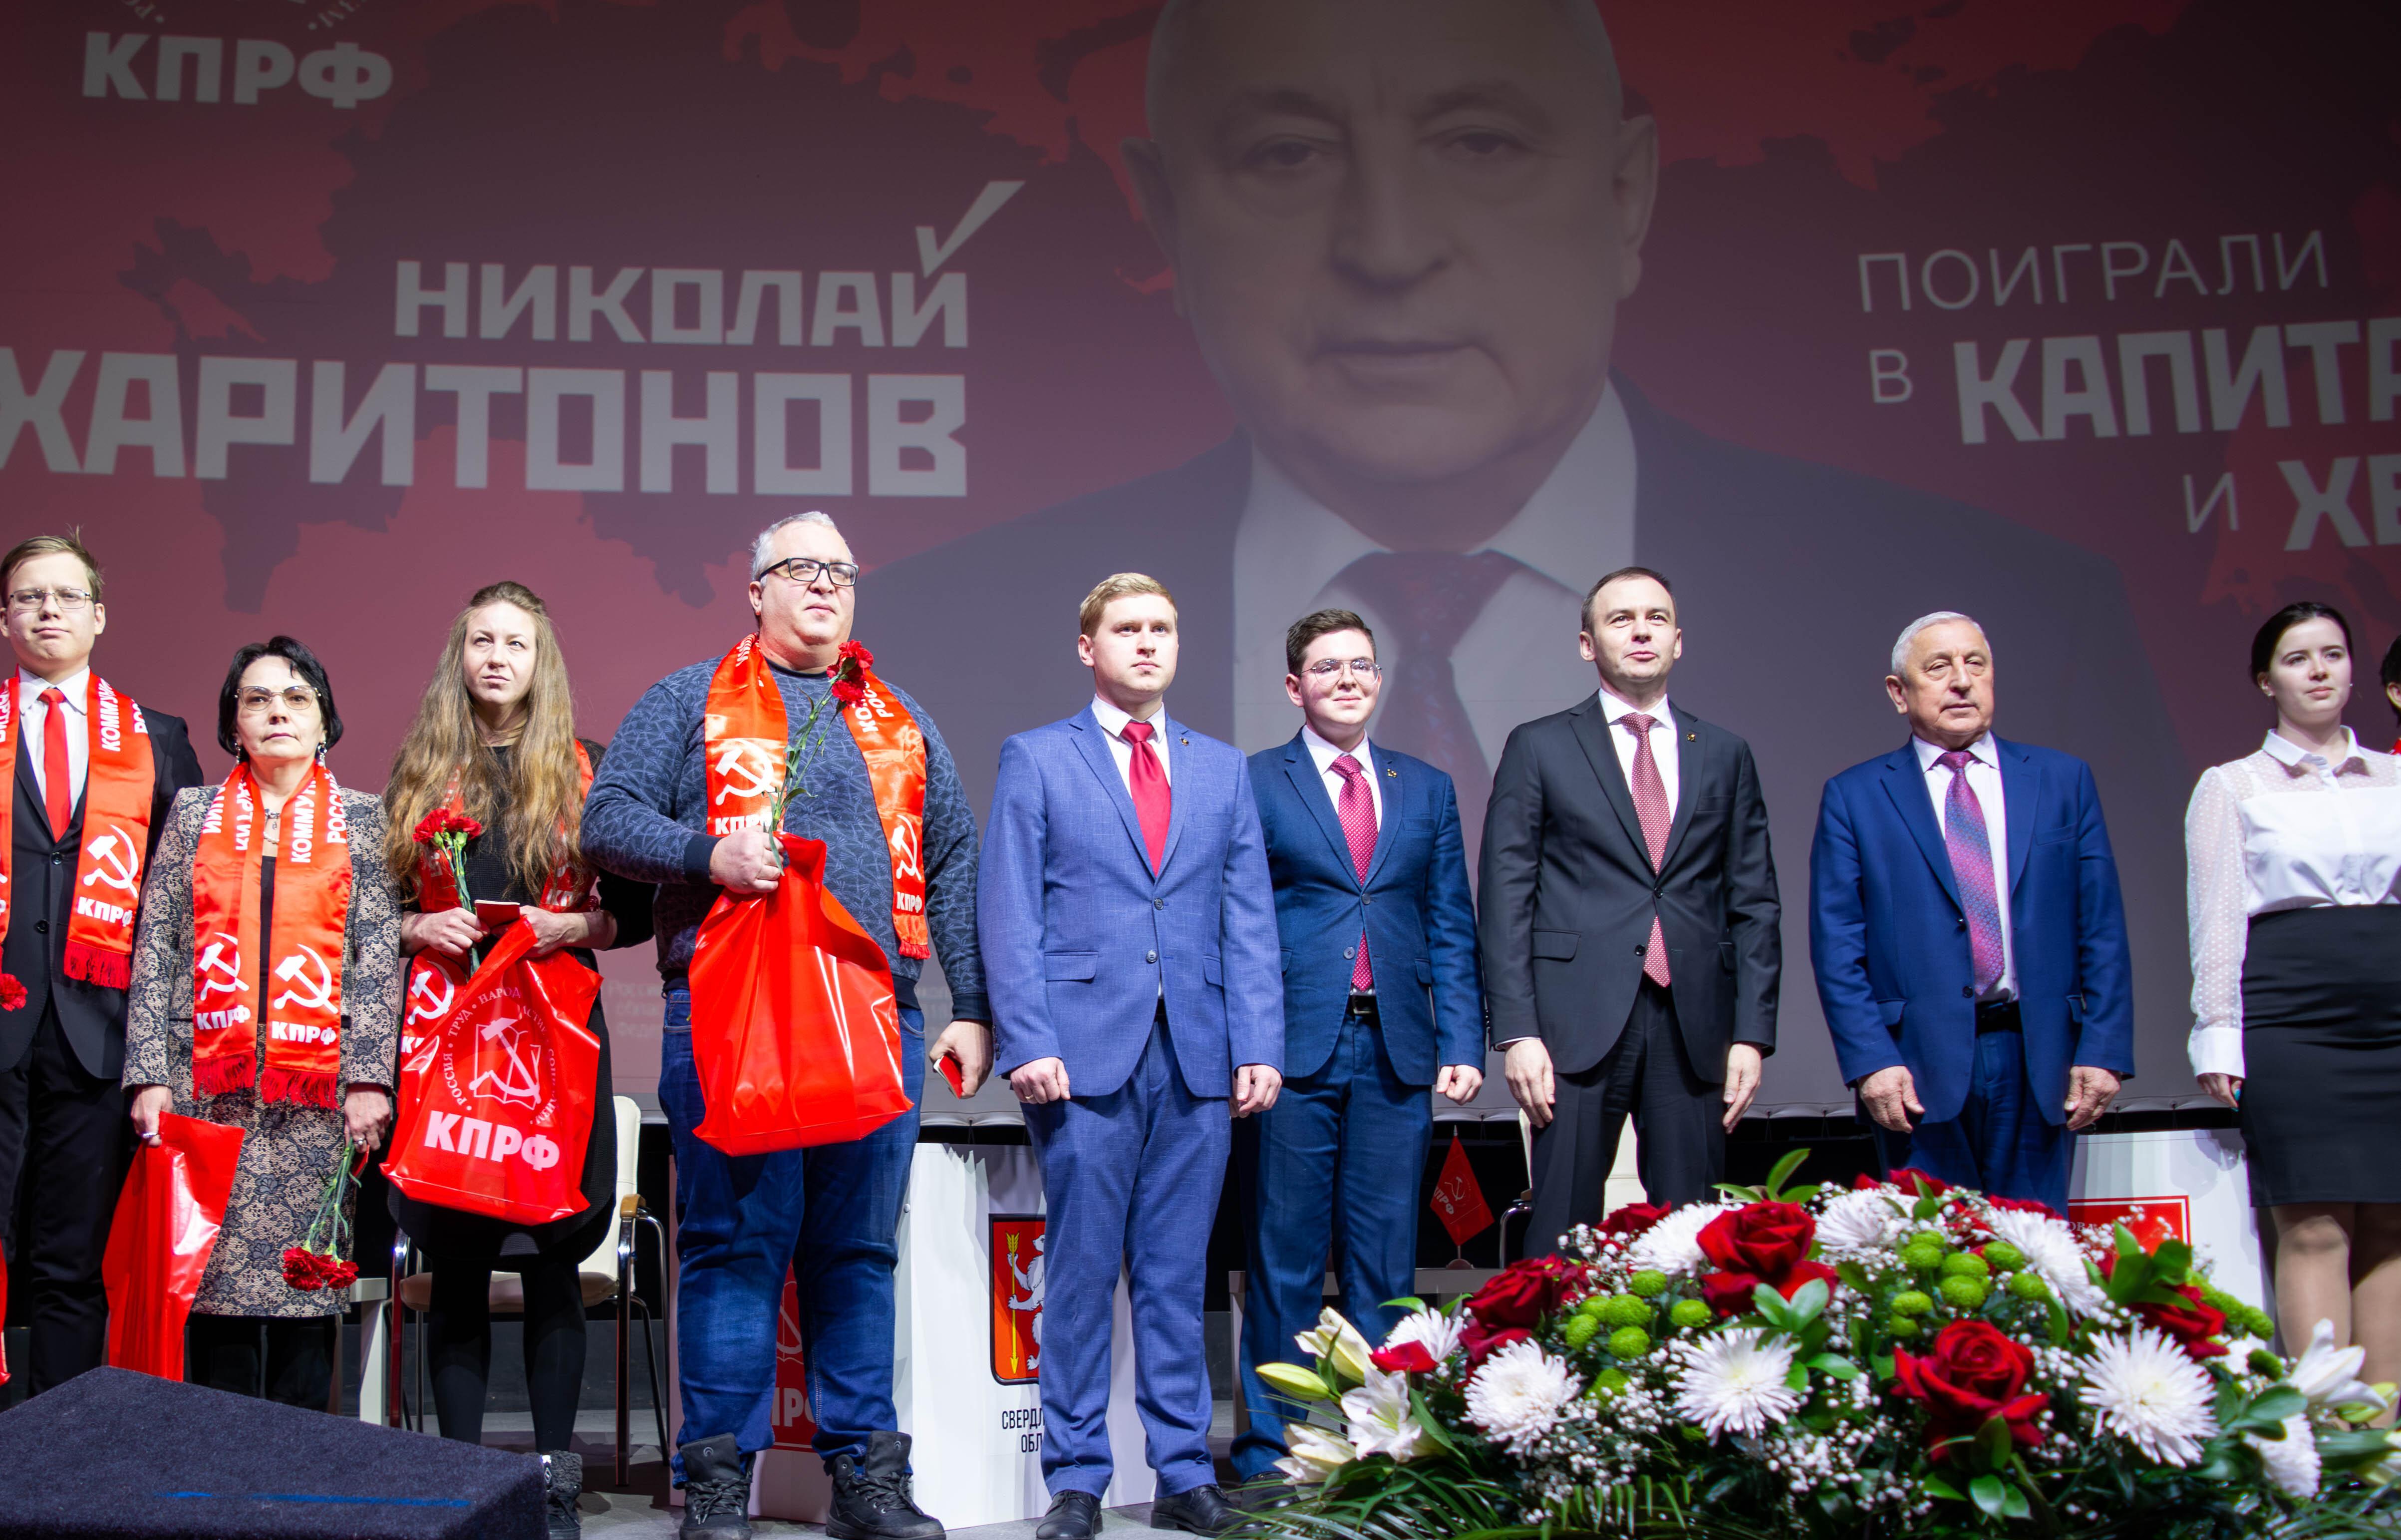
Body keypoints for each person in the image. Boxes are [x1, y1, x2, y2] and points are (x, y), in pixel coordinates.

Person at [869, 0, 2190, 1109]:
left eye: (1480, 142)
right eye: (1286, 154)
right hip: (1240, 1083)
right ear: (1166, 213)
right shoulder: (959, 635)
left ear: (1626, 192)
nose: (1389, 246)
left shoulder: (2048, 607)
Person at [580, 510, 993, 1540]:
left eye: (840, 571)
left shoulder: (899, 716)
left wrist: (973, 1005)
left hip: (876, 1011)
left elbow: (952, 857)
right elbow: (607, 817)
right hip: (734, 1003)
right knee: (732, 1242)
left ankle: (864, 1473)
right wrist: (707, 853)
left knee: (858, 1248)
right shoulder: (687, 698)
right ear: (755, 592)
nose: (823, 585)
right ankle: (717, 1477)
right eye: (800, 568)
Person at [0, 534, 200, 1461]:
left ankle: (60, 1460)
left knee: (72, 1263)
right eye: (29, 597)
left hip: (103, 1035)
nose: (48, 610)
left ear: (99, 615)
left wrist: (163, 1052)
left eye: (66, 595)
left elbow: (185, 908)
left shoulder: (156, 736)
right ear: (3, 619)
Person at [979, 575, 1282, 1540]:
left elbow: (1248, 916)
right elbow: (1010, 910)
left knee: (1176, 1273)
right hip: (1081, 1053)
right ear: (1088, 645)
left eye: (1161, 628)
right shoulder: (1037, 756)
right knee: (1078, 1271)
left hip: (1196, 1051)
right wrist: (1027, 1038)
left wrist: (1258, 1042)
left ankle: (1184, 1469)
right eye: (1127, 628)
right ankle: (1075, 1476)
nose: (1147, 643)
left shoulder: (1220, 767)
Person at [380, 581, 654, 1540]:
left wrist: (565, 925)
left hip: (555, 1043)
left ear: (543, 662)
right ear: (460, 655)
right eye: (482, 640)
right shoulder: (422, 770)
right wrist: (417, 926)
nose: (497, 657)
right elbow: (373, 912)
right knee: (455, 1264)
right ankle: (464, 1485)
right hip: (451, 1041)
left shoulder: (590, 768)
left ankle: (550, 1482)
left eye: (516, 643)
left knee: (550, 1264)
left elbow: (634, 915)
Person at [1235, 607, 1481, 1481]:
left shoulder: (1427, 787)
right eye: (1326, 667)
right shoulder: (1255, 781)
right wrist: (1245, 1042)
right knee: (1286, 1260)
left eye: (1361, 665)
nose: (1347, 679)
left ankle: (1385, 1448)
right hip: (1291, 1051)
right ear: (1293, 686)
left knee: (1384, 1262)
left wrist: (1463, 1037)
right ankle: (1271, 1452)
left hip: (1397, 1050)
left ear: (1379, 679)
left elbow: (1450, 921)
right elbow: (1239, 922)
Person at [122, 637, 398, 1408]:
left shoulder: (363, 819)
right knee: (212, 1287)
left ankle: (298, 1465)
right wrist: (146, 1075)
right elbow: (157, 944)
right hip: (206, 1083)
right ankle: (219, 1460)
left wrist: (371, 1079)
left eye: (296, 697)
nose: (278, 711)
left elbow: (379, 955)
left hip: (320, 1093)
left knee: (306, 1283)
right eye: (257, 699)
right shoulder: (193, 814)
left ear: (324, 721)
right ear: (233, 724)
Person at [1478, 568, 1779, 1255]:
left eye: (1655, 618)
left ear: (1679, 641)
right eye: (1620, 619)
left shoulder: (1725, 753)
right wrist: (1516, 1031)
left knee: (1693, 1240)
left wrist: (1752, 1034)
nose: (1641, 631)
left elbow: (1755, 902)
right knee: (1560, 1236)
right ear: (1587, 644)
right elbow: (1505, 897)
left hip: (1694, 1025)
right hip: (1573, 1024)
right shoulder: (1540, 745)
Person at [1810, 612, 2134, 1214]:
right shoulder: (1855, 796)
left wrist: (2105, 1048)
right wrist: (1871, 1060)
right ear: (1899, 692)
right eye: (1939, 667)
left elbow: (2102, 928)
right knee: (1929, 1256)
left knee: (2034, 1254)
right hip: (1914, 1068)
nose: (1961, 681)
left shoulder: (2062, 781)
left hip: (2040, 1057)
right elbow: (1838, 947)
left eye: (1975, 664)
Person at [2185, 604, 2399, 1377]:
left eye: (2332, 654)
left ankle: (2382, 1441)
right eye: (2297, 658)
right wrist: (2217, 1031)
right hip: (2293, 1021)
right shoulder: (2230, 785)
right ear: (2264, 681)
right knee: (2314, 1229)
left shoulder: (2395, 776)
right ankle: (2322, 1435)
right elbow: (2215, 919)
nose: (2318, 671)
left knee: (2392, 1230)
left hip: (2393, 1016)